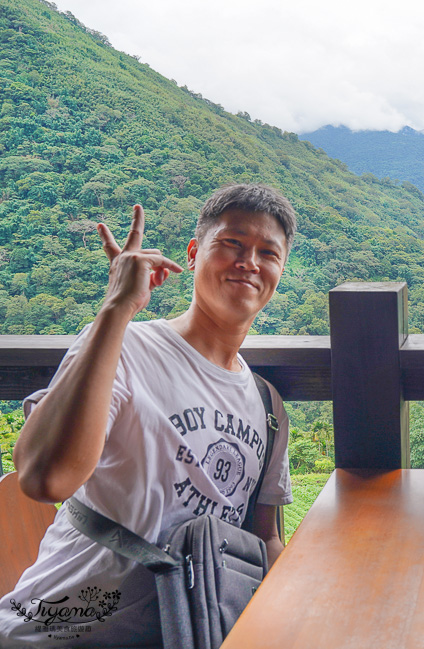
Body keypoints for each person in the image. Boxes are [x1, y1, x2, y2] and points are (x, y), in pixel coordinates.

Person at [1, 184, 297, 648]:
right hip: (57, 632)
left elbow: (266, 541)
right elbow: (44, 479)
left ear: (280, 270)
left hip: (190, 633)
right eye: (232, 244)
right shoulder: (124, 347)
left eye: (267, 253)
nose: (249, 262)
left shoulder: (267, 404)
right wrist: (117, 308)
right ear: (195, 253)